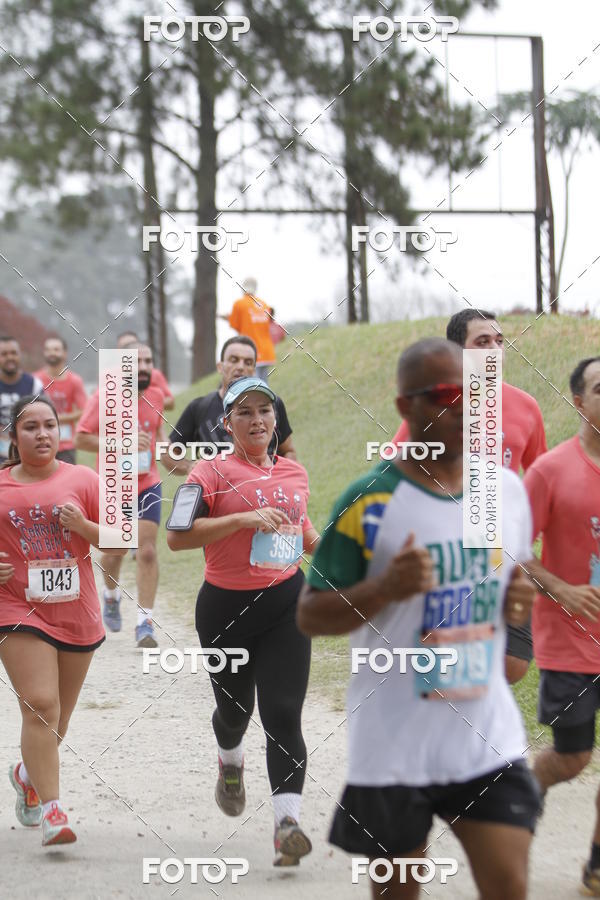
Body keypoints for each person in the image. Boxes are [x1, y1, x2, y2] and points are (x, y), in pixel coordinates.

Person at [297, 339, 540, 900]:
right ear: (406, 406)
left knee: (510, 886)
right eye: (445, 395)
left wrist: (516, 602)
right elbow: (309, 615)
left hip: (485, 736)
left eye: (472, 393)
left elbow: (510, 581)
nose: (463, 407)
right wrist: (383, 588)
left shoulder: (503, 492)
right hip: (394, 743)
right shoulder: (371, 502)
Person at [167, 375, 320, 867]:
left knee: (284, 714)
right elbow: (177, 538)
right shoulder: (208, 473)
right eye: (245, 413)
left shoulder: (294, 472)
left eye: (265, 411)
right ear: (227, 424)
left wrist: (343, 559)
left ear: (276, 419)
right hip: (225, 611)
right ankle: (229, 759)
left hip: (286, 605)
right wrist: (241, 520)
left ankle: (286, 825)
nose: (257, 420)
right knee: (235, 712)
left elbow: (303, 531)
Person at [390, 309, 547, 686]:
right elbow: (393, 469)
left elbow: (542, 477)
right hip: (448, 548)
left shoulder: (526, 407)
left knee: (513, 662)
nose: (494, 349)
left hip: (502, 549)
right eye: (482, 342)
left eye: (499, 341)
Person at [0, 395, 127, 846]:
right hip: (16, 606)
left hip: (75, 611)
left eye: (49, 425)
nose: (42, 434)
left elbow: (120, 541)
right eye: (30, 427)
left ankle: (27, 774)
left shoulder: (83, 479)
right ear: (13, 436)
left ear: (60, 431)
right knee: (40, 705)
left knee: (57, 721)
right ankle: (53, 812)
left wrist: (84, 527)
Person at [523, 356, 600, 896]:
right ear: (579, 401)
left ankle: (595, 866)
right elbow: (512, 548)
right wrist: (563, 589)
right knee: (572, 758)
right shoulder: (550, 470)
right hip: (569, 641)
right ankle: (522, 792)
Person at [75, 343, 166, 647]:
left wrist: (173, 455)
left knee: (147, 550)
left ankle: (145, 622)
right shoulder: (104, 396)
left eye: (148, 361)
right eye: (137, 361)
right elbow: (82, 438)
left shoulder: (156, 396)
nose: (144, 367)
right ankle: (111, 595)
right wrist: (120, 442)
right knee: (115, 551)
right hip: (114, 484)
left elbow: (158, 436)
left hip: (148, 482)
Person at [160, 336, 296, 477]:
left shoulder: (273, 405)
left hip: (263, 488)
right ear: (220, 366)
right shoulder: (199, 407)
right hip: (216, 490)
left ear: (254, 370)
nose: (241, 367)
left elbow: (288, 451)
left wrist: (284, 478)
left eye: (248, 362)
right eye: (234, 360)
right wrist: (189, 467)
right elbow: (167, 453)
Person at [34, 336, 87, 465]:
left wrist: (58, 418)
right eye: (48, 350)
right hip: (39, 442)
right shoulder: (35, 380)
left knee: (66, 477)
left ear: (64, 353)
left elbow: (83, 411)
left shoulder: (75, 381)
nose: (51, 353)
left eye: (56, 349)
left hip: (65, 443)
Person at [219, 278, 276, 382]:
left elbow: (235, 325)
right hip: (266, 352)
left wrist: (226, 318)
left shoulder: (239, 303)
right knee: (263, 385)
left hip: (251, 352)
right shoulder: (264, 304)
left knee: (253, 386)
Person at [0, 336, 44, 463]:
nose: (10, 357)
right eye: (4, 354)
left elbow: (43, 416)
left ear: (20, 355)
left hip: (27, 454)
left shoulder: (34, 384)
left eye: (13, 353)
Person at [116, 330, 175, 410]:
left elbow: (170, 402)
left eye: (133, 344)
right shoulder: (108, 375)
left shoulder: (154, 374)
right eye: (124, 347)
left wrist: (149, 402)